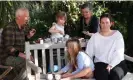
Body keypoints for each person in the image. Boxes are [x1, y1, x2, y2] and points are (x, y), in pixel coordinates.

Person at [85, 13, 127, 80]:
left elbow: (119, 53)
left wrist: (111, 65)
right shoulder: (95, 37)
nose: (105, 25)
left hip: (117, 63)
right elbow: (88, 54)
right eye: (103, 23)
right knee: (102, 76)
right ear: (100, 24)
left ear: (111, 23)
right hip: (100, 63)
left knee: (114, 76)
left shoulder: (117, 35)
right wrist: (88, 68)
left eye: (107, 23)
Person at [0, 8, 36, 80]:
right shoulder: (9, 27)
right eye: (26, 16)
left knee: (34, 61)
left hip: (16, 56)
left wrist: (28, 36)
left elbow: (21, 40)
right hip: (6, 57)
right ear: (19, 17)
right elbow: (8, 47)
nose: (28, 18)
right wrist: (24, 55)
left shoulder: (22, 27)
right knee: (27, 63)